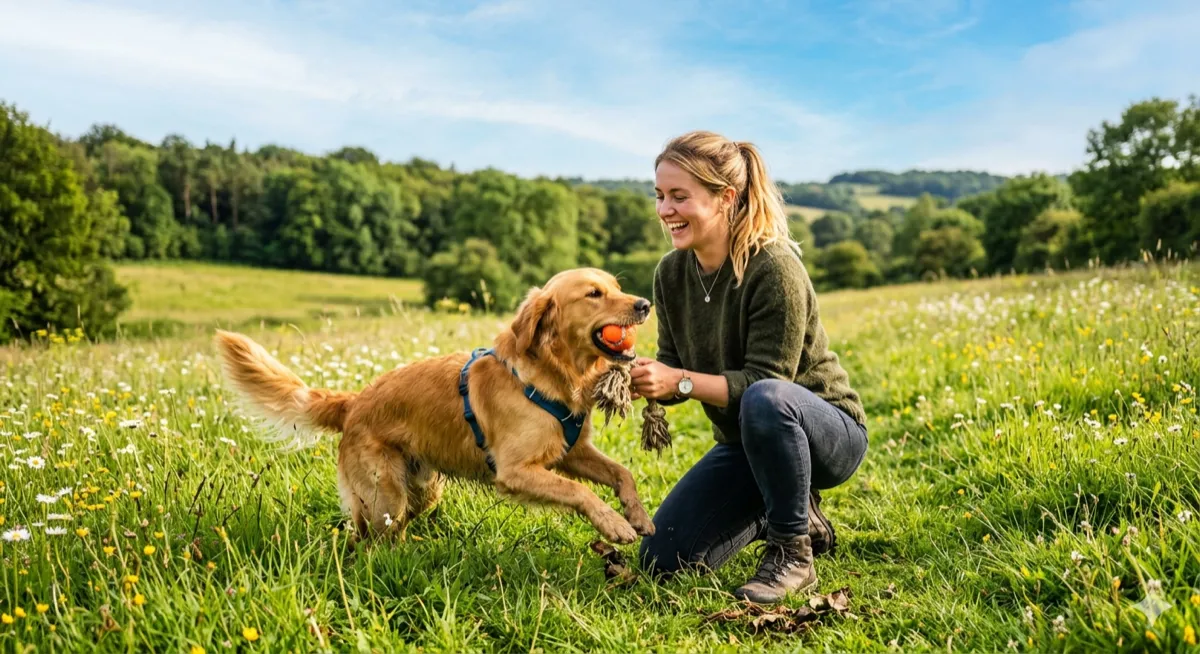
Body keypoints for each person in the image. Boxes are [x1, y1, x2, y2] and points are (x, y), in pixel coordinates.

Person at [630, 130, 868, 604]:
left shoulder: (773, 267)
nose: (665, 210)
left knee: (765, 399)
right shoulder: (670, 273)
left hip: (824, 434)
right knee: (662, 559)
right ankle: (791, 506)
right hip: (746, 443)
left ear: (725, 198)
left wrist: (678, 380)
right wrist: (636, 376)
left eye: (680, 196)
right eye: (659, 196)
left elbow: (766, 382)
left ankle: (792, 552)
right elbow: (673, 369)